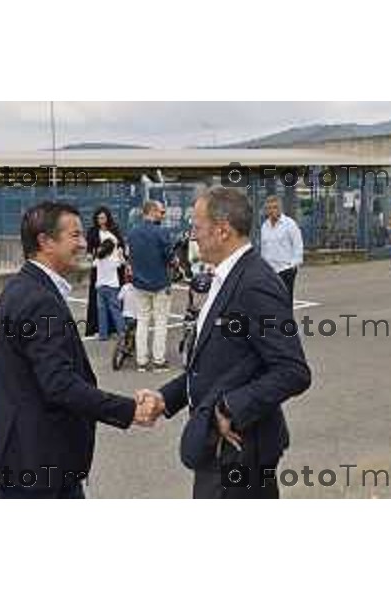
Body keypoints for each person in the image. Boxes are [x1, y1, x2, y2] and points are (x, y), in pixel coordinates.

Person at [136, 187, 311, 499]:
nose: (192, 235)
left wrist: (231, 407)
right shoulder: (225, 277)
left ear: (222, 231)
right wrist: (166, 398)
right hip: (219, 447)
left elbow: (292, 370)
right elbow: (216, 364)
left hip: (241, 449)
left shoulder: (256, 283)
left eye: (197, 227)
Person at [0, 201, 156, 499]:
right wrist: (130, 410)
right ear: (45, 241)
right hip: (39, 469)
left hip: (30, 462)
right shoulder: (37, 299)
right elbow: (59, 384)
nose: (84, 243)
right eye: (75, 236)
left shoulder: (23, 286)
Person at [128, 200, 174, 373]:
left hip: (139, 283)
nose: (163, 215)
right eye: (162, 212)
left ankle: (141, 361)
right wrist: (174, 262)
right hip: (160, 282)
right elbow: (169, 256)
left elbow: (131, 256)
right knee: (161, 322)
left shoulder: (133, 233)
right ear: (153, 211)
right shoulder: (161, 232)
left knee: (143, 321)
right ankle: (158, 360)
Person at [85, 206, 126, 337]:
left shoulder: (114, 230)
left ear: (108, 218)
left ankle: (115, 328)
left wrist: (121, 256)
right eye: (98, 218)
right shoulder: (92, 232)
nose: (101, 220)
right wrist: (92, 256)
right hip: (100, 270)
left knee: (114, 303)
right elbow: (89, 250)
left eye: (103, 217)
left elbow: (121, 247)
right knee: (100, 305)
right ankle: (100, 329)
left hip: (113, 269)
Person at [260, 195, 304, 301]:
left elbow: (298, 245)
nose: (272, 210)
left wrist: (293, 265)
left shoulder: (290, 224)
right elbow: (264, 248)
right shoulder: (265, 226)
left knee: (286, 301)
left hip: (285, 270)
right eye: (269, 208)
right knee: (271, 301)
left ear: (280, 208)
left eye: (275, 207)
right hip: (270, 271)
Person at [93, 238, 125, 341]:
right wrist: (120, 254)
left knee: (102, 311)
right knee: (115, 310)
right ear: (111, 249)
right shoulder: (113, 259)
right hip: (112, 287)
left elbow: (93, 264)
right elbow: (122, 263)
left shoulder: (99, 259)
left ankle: (103, 335)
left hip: (100, 287)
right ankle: (122, 332)